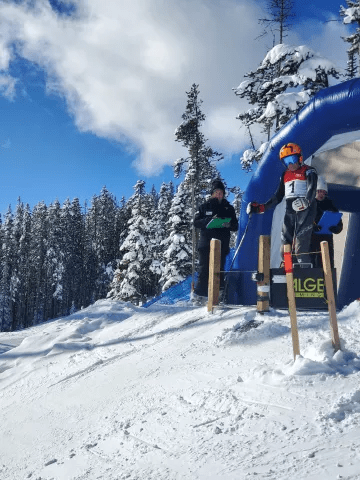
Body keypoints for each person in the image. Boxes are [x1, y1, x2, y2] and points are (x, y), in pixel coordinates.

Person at [247, 143, 318, 266]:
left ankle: (305, 270)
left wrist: (307, 201)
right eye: (286, 161)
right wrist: (261, 207)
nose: (290, 164)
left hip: (306, 210)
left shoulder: (308, 170)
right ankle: (287, 269)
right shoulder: (285, 175)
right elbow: (278, 197)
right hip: (290, 211)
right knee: (285, 245)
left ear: (300, 158)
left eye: (292, 159)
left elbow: (312, 188)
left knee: (300, 246)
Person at [192, 179, 239, 302]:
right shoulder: (204, 206)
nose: (219, 195)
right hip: (206, 243)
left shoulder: (228, 208)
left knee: (219, 269)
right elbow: (196, 222)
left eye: (221, 192)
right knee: (204, 269)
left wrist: (228, 225)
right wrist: (208, 222)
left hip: (222, 244)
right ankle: (200, 296)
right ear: (212, 193)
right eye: (216, 192)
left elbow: (235, 225)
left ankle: (219, 294)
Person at [310, 175, 343, 269]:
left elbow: (339, 226)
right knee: (314, 266)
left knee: (327, 266)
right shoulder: (309, 205)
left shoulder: (331, 206)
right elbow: (302, 223)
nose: (321, 194)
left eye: (323, 192)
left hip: (326, 242)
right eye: (319, 191)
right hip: (312, 243)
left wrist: (334, 227)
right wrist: (313, 227)